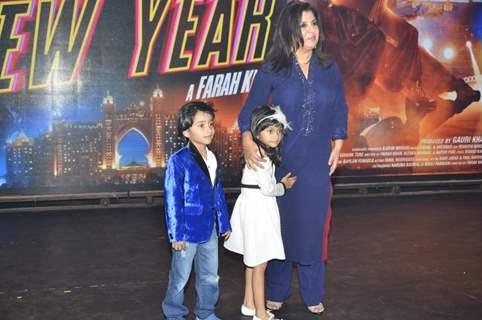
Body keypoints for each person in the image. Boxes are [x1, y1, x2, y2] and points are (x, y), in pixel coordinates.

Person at [238, 1, 348, 315]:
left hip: (317, 162)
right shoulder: (274, 67)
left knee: (314, 227)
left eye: (314, 23)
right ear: (289, 30)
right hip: (282, 162)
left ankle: (313, 292)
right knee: (281, 228)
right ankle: (277, 290)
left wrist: (339, 141)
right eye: (303, 25)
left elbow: (340, 106)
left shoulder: (329, 68)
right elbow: (250, 110)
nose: (312, 30)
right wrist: (248, 140)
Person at [224, 105, 297, 320]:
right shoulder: (262, 159)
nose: (276, 136)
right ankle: (261, 314)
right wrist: (283, 185)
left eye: (279, 131)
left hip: (250, 206)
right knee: (260, 264)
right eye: (270, 131)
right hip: (259, 210)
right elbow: (268, 189)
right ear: (257, 133)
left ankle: (249, 304)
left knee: (252, 261)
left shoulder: (256, 153)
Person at [161, 101, 232, 320]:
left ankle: (206, 312)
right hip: (186, 231)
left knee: (210, 276)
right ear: (186, 131)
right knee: (181, 277)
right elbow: (173, 198)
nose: (209, 129)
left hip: (209, 227)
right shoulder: (178, 160)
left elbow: (216, 191)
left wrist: (224, 222)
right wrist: (176, 234)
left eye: (210, 124)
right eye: (201, 125)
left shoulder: (212, 157)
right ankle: (174, 314)